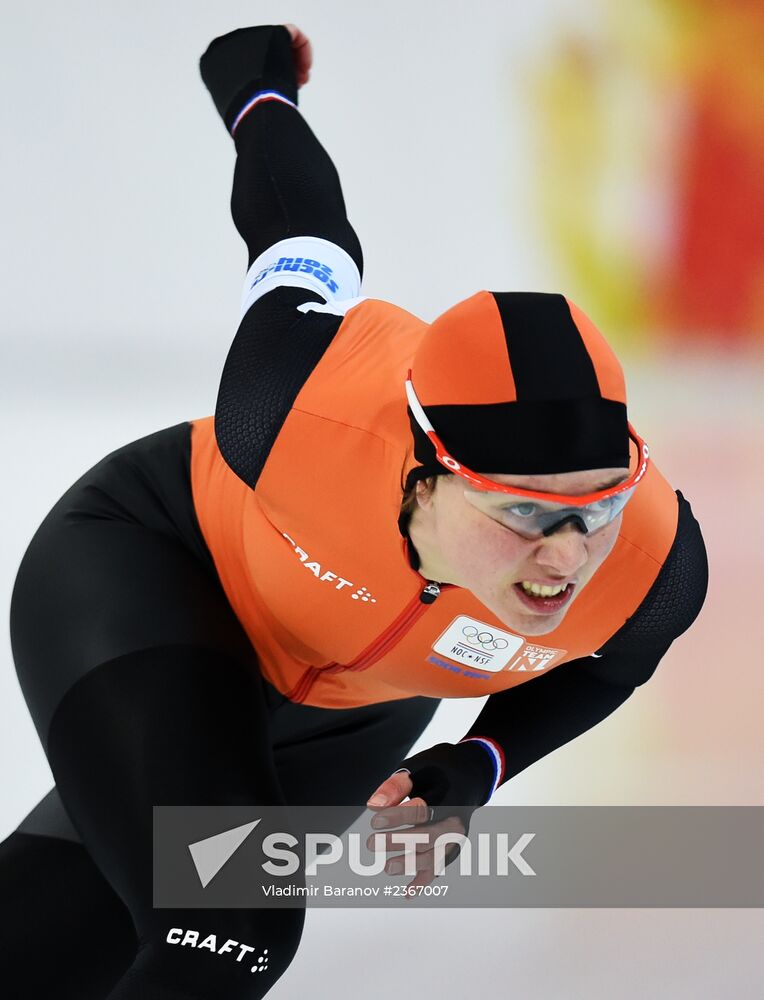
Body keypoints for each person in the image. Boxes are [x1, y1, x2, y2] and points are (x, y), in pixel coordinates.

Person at [0, 23, 708, 1000]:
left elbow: (613, 667)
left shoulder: (652, 565)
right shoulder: (292, 406)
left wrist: (480, 760)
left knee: (46, 948)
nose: (564, 554)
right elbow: (302, 236)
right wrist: (255, 89)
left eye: (593, 506)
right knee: (227, 921)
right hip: (154, 573)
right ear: (424, 471)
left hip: (346, 715)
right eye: (519, 512)